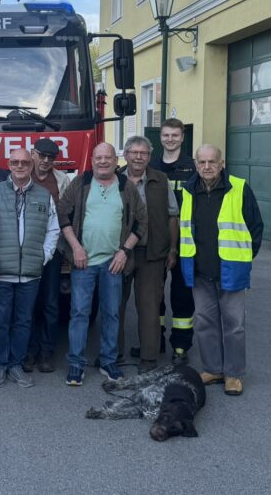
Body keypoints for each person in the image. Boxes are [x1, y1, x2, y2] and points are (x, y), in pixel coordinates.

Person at [58, 142, 147, 387]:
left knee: (111, 313)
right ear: (93, 160)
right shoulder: (81, 183)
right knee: (79, 314)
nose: (103, 161)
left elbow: (141, 222)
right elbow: (62, 214)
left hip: (113, 263)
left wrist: (124, 251)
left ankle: (109, 361)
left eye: (108, 157)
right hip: (83, 262)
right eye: (99, 157)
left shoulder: (125, 187)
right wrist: (75, 247)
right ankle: (76, 364)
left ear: (115, 160)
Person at [180, 144, 263, 397]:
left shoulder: (239, 188)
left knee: (234, 325)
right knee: (205, 323)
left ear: (221, 163)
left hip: (231, 270)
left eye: (212, 162)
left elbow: (256, 227)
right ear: (196, 164)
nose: (207, 167)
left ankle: (234, 374)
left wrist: (245, 258)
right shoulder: (187, 191)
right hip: (199, 270)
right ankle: (213, 368)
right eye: (202, 162)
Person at [0, 148, 58, 389]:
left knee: (24, 321)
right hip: (1, 271)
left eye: (25, 162)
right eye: (15, 162)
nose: (20, 166)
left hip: (30, 272)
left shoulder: (44, 194)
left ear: (32, 164)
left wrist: (43, 256)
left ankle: (16, 364)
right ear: (8, 164)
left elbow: (53, 229)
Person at [116, 136, 179, 374]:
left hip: (152, 253)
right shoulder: (114, 179)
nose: (138, 157)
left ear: (149, 157)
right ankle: (115, 356)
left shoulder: (161, 180)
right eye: (134, 153)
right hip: (120, 254)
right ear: (126, 155)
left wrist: (172, 249)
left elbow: (173, 215)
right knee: (115, 307)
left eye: (143, 153)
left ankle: (148, 359)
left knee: (149, 308)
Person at [149, 118, 198, 364]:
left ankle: (180, 346)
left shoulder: (193, 167)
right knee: (154, 294)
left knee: (182, 295)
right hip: (156, 241)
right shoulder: (152, 165)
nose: (170, 139)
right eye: (166, 135)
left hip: (187, 243)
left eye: (175, 135)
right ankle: (154, 339)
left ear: (182, 137)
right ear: (160, 137)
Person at [25, 137, 70, 373]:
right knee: (29, 302)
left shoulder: (62, 181)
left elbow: (66, 216)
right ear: (33, 154)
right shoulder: (22, 175)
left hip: (53, 250)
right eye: (41, 156)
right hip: (25, 250)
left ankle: (47, 352)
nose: (45, 161)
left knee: (51, 303)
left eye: (50, 158)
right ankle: (29, 352)